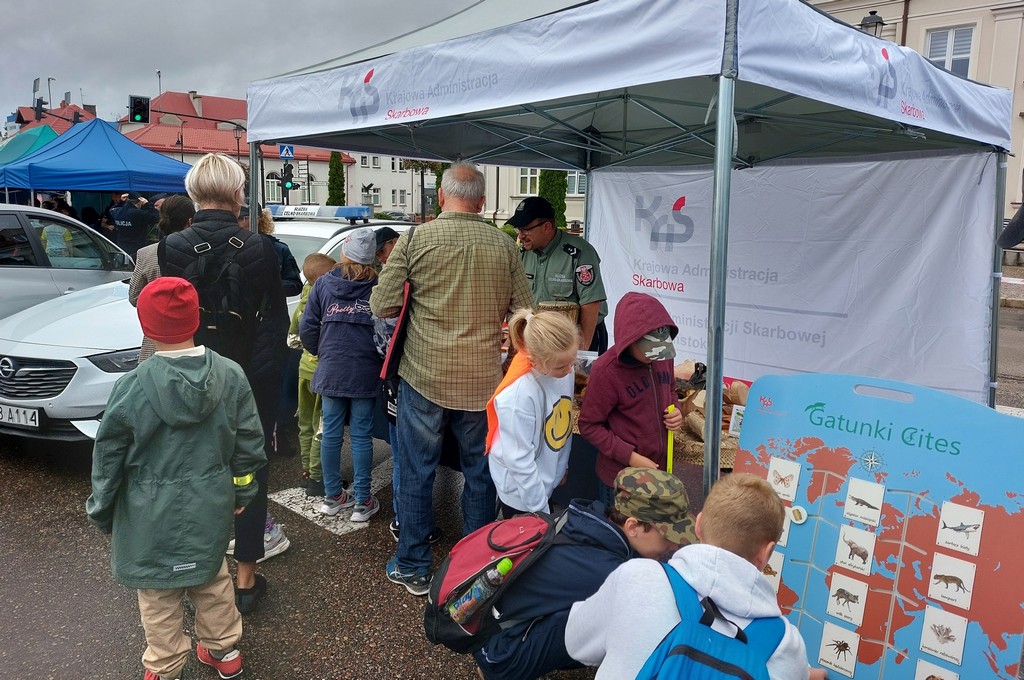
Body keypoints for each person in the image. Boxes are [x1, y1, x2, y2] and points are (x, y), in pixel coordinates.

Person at [85, 277, 266, 680]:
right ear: (196, 318)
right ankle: (224, 651)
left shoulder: (131, 386)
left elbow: (108, 457)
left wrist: (101, 508)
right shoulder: (231, 375)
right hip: (210, 503)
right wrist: (243, 492)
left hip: (146, 514)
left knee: (157, 593)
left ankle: (165, 667)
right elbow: (249, 445)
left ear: (146, 326)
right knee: (212, 577)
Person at [370, 161, 533, 595]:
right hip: (482, 379)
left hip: (424, 375)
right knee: (480, 472)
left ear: (441, 197)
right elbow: (525, 313)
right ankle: (474, 566)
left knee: (416, 469)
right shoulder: (505, 246)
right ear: (481, 202)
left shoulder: (415, 239)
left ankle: (413, 563)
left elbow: (382, 305)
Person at [158, 153, 289, 615]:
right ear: (238, 193)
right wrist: (253, 380)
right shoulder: (260, 246)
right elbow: (274, 322)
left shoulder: (171, 246)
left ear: (193, 193)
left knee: (190, 471)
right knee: (249, 472)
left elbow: (174, 320)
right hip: (249, 378)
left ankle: (199, 573)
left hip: (191, 373)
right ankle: (246, 580)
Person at [565, 473, 825, 680]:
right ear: (766, 553)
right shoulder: (784, 643)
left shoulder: (638, 576)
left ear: (698, 524)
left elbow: (575, 643)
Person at [474, 467, 698, 680]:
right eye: (667, 537)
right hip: (498, 656)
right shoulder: (606, 572)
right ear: (632, 526)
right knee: (618, 617)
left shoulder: (589, 521)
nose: (673, 546)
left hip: (489, 625)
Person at [300, 227, 383, 522]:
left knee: (331, 433)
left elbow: (307, 327)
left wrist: (322, 352)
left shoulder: (324, 283)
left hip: (332, 367)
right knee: (360, 435)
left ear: (344, 253)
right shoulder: (378, 285)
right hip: (365, 368)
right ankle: (362, 501)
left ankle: (332, 496)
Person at [578, 291, 683, 508]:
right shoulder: (606, 371)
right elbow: (589, 425)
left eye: (659, 350)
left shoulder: (663, 357)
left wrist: (677, 411)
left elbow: (671, 390)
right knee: (620, 529)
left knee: (654, 528)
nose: (655, 357)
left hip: (659, 471)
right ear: (629, 341)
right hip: (622, 480)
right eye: (648, 351)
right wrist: (631, 457)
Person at [485, 308, 578, 518]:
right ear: (533, 360)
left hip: (542, 481)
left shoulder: (562, 370)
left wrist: (560, 467)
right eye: (561, 366)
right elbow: (519, 461)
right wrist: (540, 510)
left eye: (573, 361)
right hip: (521, 493)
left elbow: (563, 424)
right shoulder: (517, 397)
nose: (569, 370)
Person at [508, 196, 609, 353]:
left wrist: (581, 349)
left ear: (547, 227)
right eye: (518, 230)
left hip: (574, 338)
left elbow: (591, 303)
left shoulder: (580, 253)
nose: (520, 236)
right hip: (539, 337)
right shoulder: (523, 254)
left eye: (526, 229)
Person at [291, 252, 336, 497]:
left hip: (304, 369)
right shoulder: (328, 300)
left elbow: (292, 339)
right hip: (323, 372)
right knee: (322, 427)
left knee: (305, 424)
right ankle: (318, 479)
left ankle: (306, 471)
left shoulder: (302, 301)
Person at [129, 195, 196, 362]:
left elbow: (134, 297)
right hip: (192, 337)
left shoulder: (146, 253)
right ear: (190, 222)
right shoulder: (199, 251)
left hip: (156, 339)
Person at [114, 191, 159, 260]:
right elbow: (156, 217)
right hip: (137, 248)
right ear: (139, 202)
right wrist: (147, 204)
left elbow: (112, 210)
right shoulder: (138, 213)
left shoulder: (117, 211)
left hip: (121, 247)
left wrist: (121, 202)